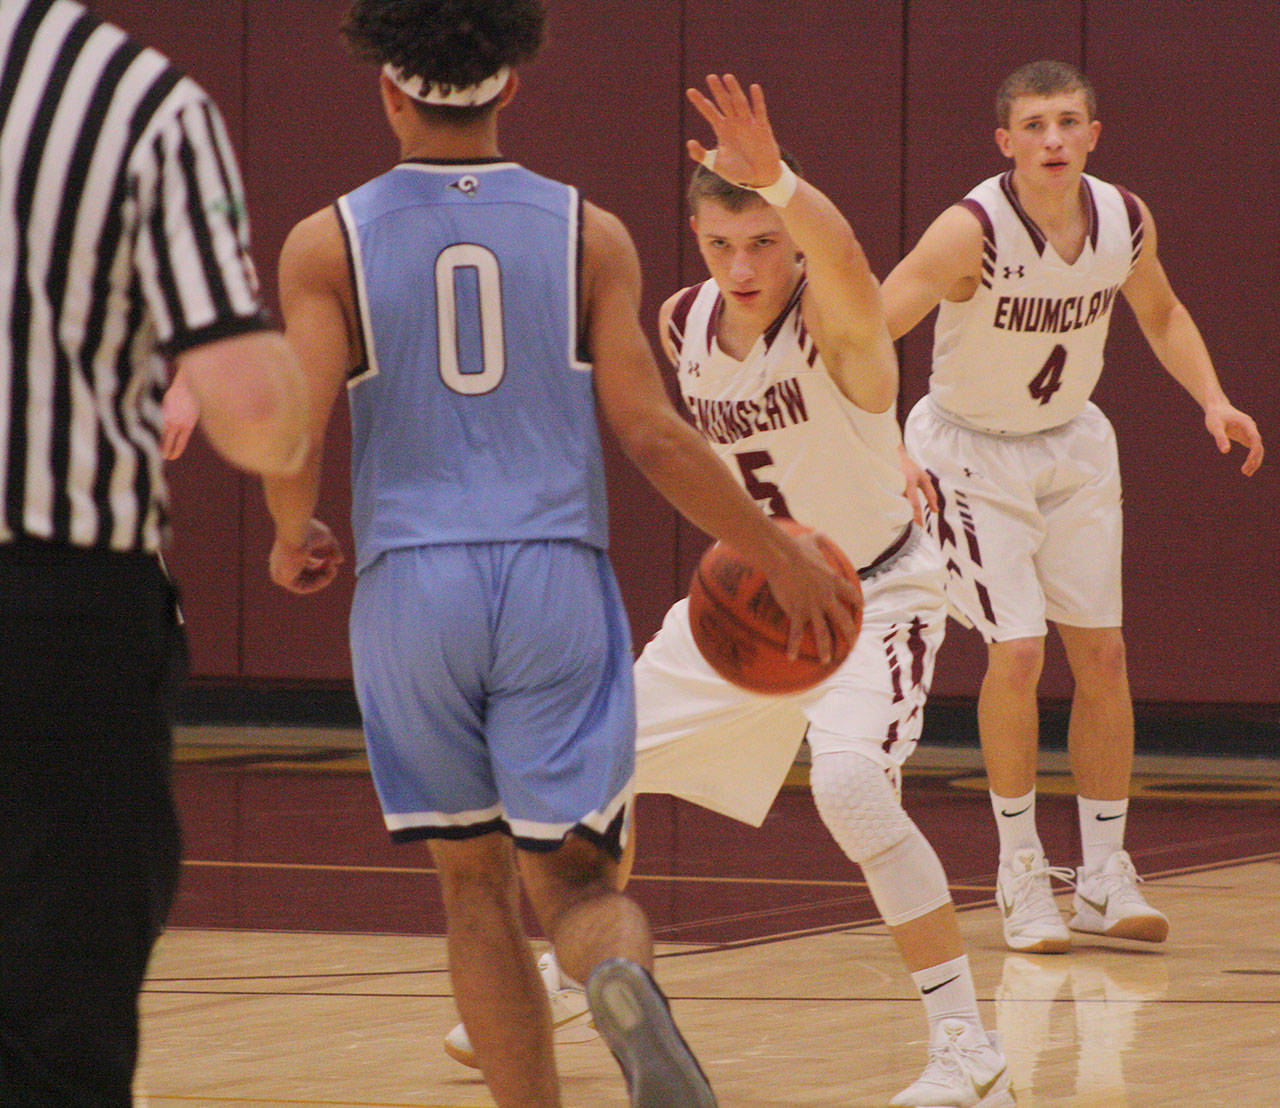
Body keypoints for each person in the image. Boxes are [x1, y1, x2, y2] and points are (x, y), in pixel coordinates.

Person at [259, 5, 859, 1107]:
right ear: (511, 87)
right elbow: (650, 434)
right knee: (577, 880)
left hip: (411, 585)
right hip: (551, 576)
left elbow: (294, 427)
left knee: (473, 890)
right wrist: (774, 550)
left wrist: (290, 527)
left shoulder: (322, 241)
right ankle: (616, 975)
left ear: (388, 92)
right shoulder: (590, 233)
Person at [623, 75, 1011, 1108]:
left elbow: (843, 260)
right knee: (587, 757)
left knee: (846, 788)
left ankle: (965, 1044)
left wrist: (783, 179)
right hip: (749, 601)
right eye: (720, 244)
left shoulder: (838, 330)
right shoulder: (686, 322)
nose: (742, 266)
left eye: (761, 240)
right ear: (697, 241)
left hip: (868, 599)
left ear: (787, 237)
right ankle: (588, 968)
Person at [881, 60, 1263, 955]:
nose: (1052, 139)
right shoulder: (967, 231)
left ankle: (1102, 874)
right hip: (969, 454)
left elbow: (1161, 314)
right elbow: (866, 331)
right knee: (1017, 651)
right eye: (1034, 125)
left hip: (1073, 446)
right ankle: (1020, 874)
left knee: (1106, 654)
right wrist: (885, 448)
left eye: (1067, 123)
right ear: (1005, 141)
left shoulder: (1124, 218)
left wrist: (1212, 398)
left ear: (1093, 134)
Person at [0, 2, 310, 1105]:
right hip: (57, 607)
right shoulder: (135, 99)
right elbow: (248, 407)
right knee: (55, 1010)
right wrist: (283, 405)